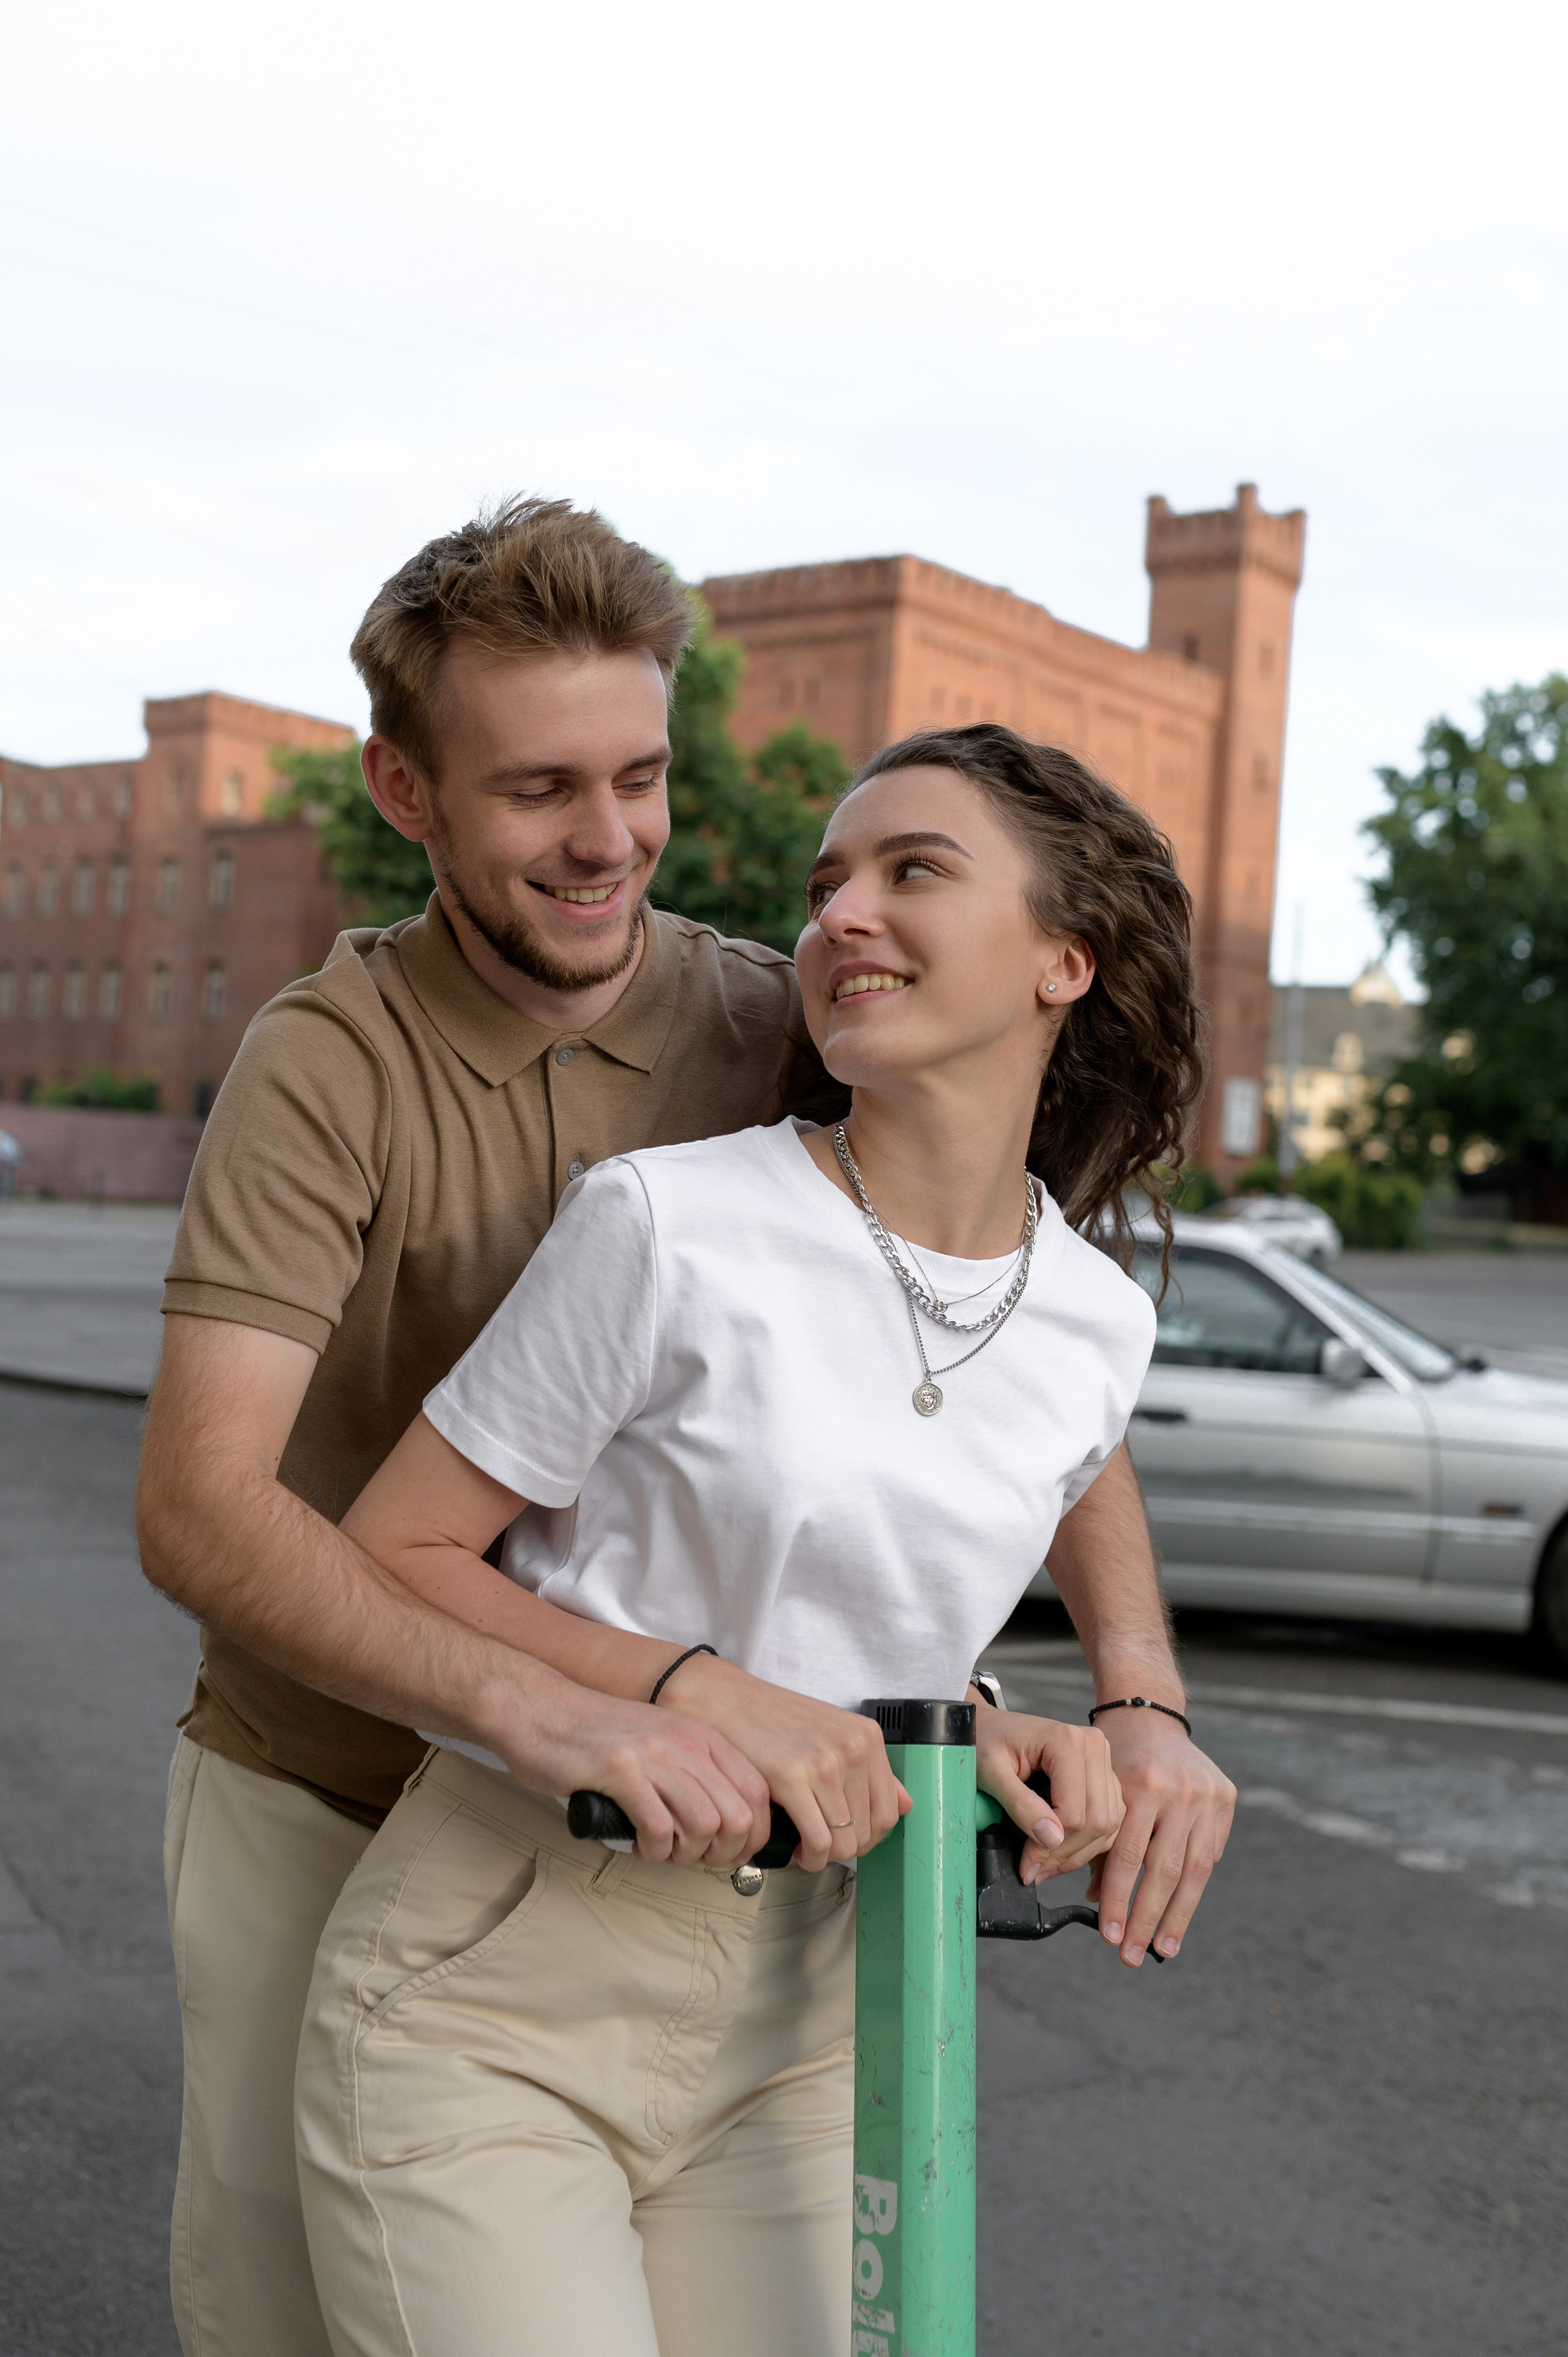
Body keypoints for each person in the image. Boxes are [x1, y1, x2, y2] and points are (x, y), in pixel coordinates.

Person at [136, 504, 1197, 2357]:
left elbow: (1011, 1354)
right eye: (539, 789)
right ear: (406, 790)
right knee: (291, 2316)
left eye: (639, 779)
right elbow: (205, 1512)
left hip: (722, 1866)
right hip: (338, 1783)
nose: (607, 839)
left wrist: (1133, 1695)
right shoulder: (331, 1064)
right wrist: (573, 1705)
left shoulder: (786, 1011)